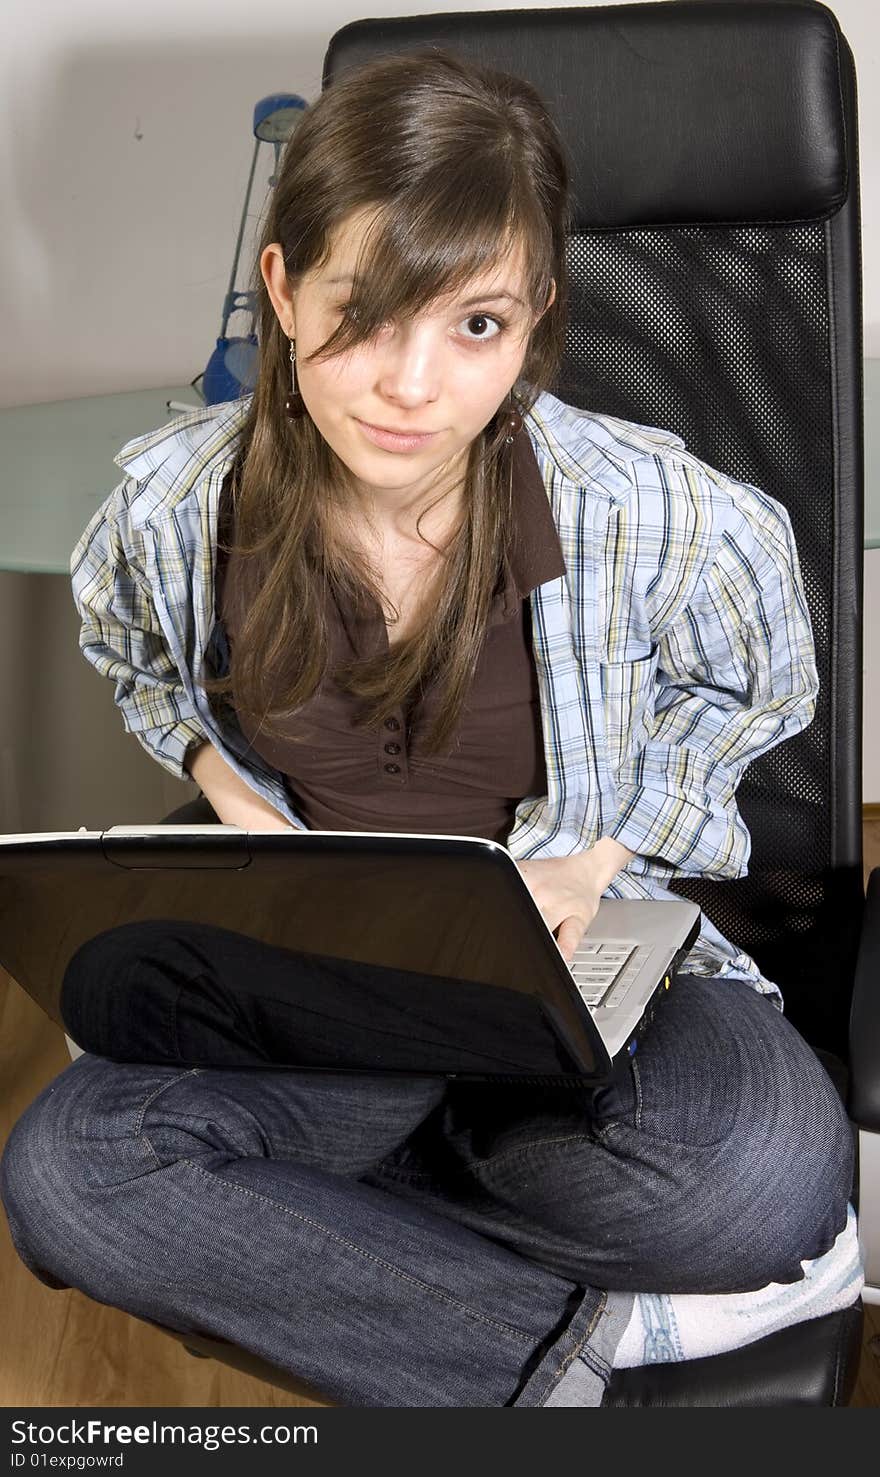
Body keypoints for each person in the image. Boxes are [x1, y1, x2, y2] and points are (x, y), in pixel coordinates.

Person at [0, 48, 861, 1408]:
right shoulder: (173, 514)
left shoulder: (665, 514)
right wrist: (219, 775)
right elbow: (130, 648)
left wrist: (591, 858)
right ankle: (566, 1340)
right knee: (65, 1175)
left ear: (534, 323)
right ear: (283, 290)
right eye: (365, 313)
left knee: (757, 1175)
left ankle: (307, 1223)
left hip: (579, 975)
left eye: (475, 326)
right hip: (325, 986)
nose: (412, 385)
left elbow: (767, 684)